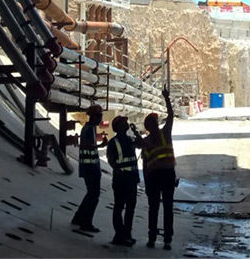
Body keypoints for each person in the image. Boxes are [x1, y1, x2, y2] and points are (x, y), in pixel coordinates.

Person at [141, 87, 176, 249]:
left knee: (158, 208)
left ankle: (157, 238)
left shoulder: (154, 138)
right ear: (150, 126)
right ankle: (158, 238)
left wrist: (167, 99)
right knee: (162, 207)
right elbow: (145, 165)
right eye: (154, 122)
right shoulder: (161, 135)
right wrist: (147, 183)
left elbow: (170, 115)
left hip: (162, 175)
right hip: (162, 175)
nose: (156, 123)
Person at [107, 116, 143, 246]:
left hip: (131, 179)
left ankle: (126, 234)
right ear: (119, 126)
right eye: (124, 123)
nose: (127, 124)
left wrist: (136, 132)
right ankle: (119, 235)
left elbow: (141, 144)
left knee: (130, 208)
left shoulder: (130, 139)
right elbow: (112, 162)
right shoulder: (113, 142)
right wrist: (121, 172)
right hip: (122, 180)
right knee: (119, 207)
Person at [71, 104, 104, 233]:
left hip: (88, 166)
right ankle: (86, 222)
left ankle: (78, 217)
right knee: (94, 195)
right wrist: (101, 145)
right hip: (91, 168)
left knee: (90, 194)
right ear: (93, 116)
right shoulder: (89, 129)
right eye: (99, 115)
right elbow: (88, 146)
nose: (100, 118)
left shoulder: (88, 128)